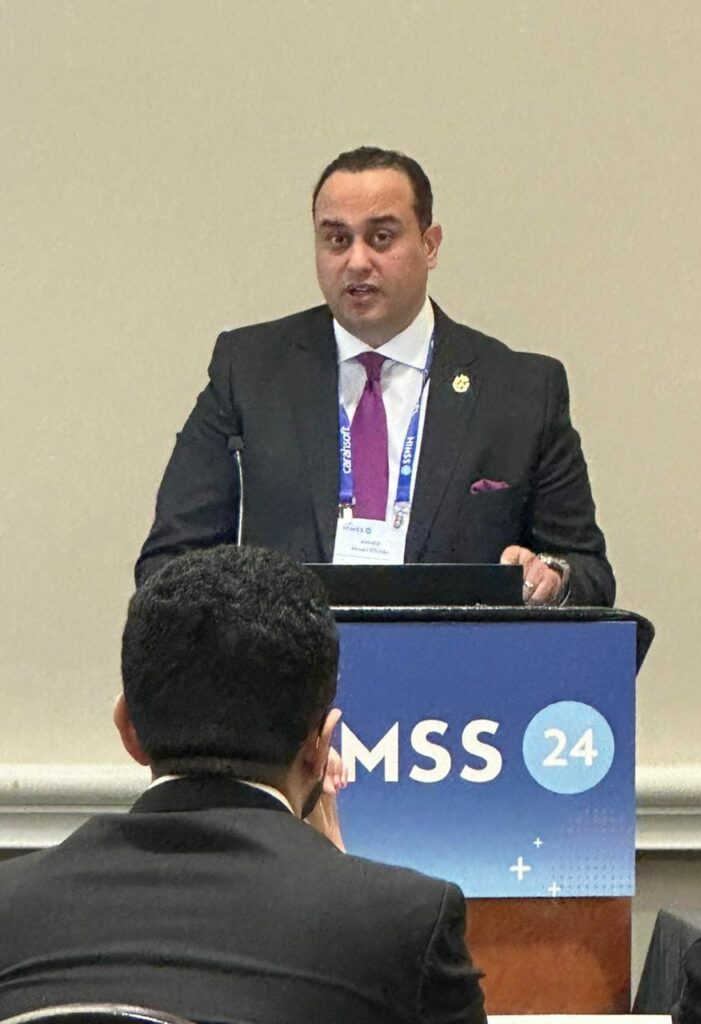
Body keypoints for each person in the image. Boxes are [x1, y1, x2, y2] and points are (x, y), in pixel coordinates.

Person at [0, 546, 486, 1024]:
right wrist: (345, 879)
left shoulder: (9, 906)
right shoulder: (402, 925)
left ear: (128, 728)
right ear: (320, 746)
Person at [136, 146, 614, 606]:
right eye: (337, 239)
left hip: (453, 657)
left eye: (381, 237)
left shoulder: (521, 391)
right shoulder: (249, 370)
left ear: (430, 244)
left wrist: (551, 580)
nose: (357, 261)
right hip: (287, 656)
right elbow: (169, 562)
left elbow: (587, 571)